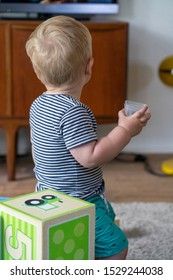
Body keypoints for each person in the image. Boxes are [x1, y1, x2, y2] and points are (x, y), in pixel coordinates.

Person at [25, 15, 151, 260]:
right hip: (77, 201)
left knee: (100, 221)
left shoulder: (38, 105)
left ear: (38, 72)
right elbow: (90, 157)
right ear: (89, 67)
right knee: (117, 247)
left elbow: (38, 146)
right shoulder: (74, 112)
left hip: (46, 192)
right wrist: (125, 130)